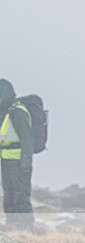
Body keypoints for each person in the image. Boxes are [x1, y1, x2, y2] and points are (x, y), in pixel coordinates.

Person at [0, 79, 35, 230]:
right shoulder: (5, 111)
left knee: (20, 196)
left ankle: (26, 230)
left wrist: (26, 165)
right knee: (8, 196)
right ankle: (12, 228)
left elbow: (28, 141)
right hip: (6, 161)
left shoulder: (18, 112)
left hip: (19, 162)